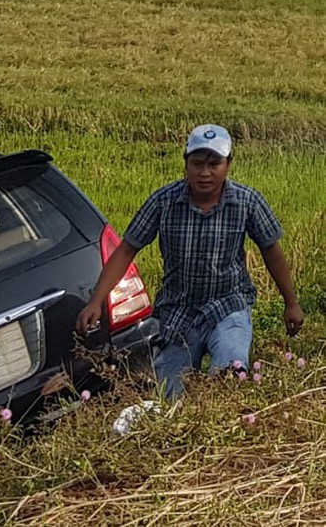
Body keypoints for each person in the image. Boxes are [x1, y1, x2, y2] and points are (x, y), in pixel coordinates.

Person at [76, 124, 304, 399]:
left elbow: (271, 249)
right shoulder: (164, 202)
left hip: (227, 304)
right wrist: (96, 301)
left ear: (228, 164)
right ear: (185, 164)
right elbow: (126, 250)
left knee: (231, 376)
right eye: (197, 164)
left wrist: (291, 303)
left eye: (214, 164)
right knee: (171, 399)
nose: (205, 173)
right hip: (178, 313)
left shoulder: (247, 202)